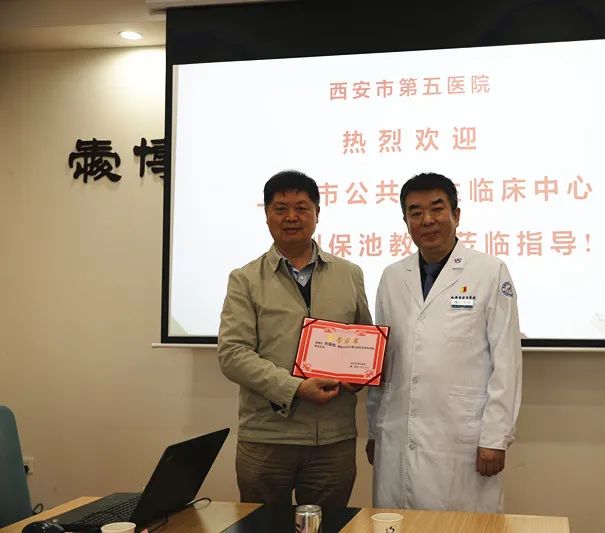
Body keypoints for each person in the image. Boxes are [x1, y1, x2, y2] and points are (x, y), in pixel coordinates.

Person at [366, 172, 522, 513]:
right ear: (406, 222)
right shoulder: (392, 277)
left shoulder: (489, 272)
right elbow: (384, 362)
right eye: (415, 212)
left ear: (456, 215)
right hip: (396, 435)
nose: (427, 220)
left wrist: (495, 437)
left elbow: (507, 362)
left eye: (437, 209)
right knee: (396, 522)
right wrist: (375, 430)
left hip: (461, 439)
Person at [218, 170, 372, 507]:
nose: (291, 217)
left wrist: (360, 374)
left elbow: (364, 341)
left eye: (302, 207)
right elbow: (233, 354)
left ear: (317, 212)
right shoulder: (245, 279)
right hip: (267, 437)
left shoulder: (350, 274)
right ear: (266, 215)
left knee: (327, 527)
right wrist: (295, 388)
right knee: (261, 528)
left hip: (332, 440)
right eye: (280, 208)